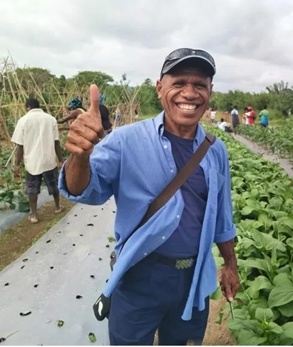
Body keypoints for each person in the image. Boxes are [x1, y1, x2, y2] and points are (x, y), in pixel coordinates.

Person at [59, 48, 239, 345]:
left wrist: (230, 264)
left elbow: (222, 216)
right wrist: (80, 156)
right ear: (160, 89)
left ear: (210, 91)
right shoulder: (125, 141)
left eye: (199, 85)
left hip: (194, 279)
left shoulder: (215, 150)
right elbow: (82, 191)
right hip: (141, 276)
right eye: (179, 83)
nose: (189, 93)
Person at [11, 98, 64, 223]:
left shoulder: (23, 121)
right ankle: (57, 207)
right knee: (54, 184)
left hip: (32, 162)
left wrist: (17, 164)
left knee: (32, 188)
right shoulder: (51, 119)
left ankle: (34, 215)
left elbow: (20, 146)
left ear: (28, 107)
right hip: (49, 159)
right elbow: (57, 143)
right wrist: (60, 160)